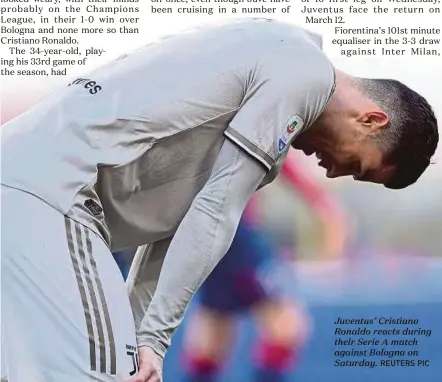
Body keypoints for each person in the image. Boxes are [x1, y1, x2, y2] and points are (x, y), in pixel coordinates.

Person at [1, 18, 438, 382]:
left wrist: (138, 339)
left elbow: (174, 225)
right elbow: (215, 212)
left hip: (36, 191)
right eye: (358, 165)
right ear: (371, 120)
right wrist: (152, 341)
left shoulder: (276, 59)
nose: (334, 173)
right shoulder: (304, 72)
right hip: (53, 195)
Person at [181, 149, 348, 382]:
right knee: (286, 324)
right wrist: (322, 205)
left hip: (201, 235)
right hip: (232, 232)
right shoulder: (247, 122)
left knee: (214, 332)